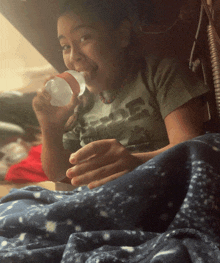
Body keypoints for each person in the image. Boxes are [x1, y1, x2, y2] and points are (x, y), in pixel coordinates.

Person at [32, 0, 209, 189]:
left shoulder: (160, 75)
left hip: (155, 187)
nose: (74, 56)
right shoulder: (79, 102)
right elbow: (60, 175)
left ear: (122, 35)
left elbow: (191, 147)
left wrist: (135, 163)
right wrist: (50, 128)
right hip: (96, 197)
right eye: (65, 46)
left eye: (84, 38)